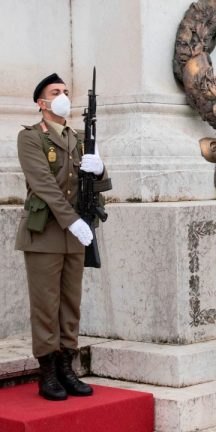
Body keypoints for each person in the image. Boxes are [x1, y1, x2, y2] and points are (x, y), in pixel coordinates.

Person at [15, 73, 107, 401]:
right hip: (45, 233)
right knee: (46, 305)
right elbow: (43, 184)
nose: (63, 96)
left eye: (66, 91)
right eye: (56, 92)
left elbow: (94, 183)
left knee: (71, 303)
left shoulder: (77, 138)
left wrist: (99, 170)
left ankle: (67, 367)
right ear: (41, 103)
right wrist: (72, 222)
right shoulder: (30, 138)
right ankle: (48, 372)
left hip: (75, 235)